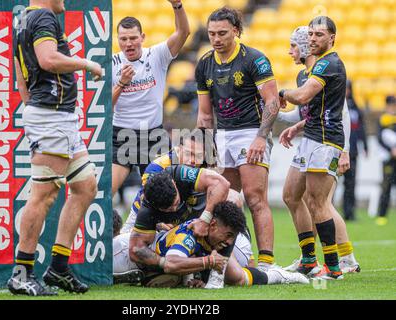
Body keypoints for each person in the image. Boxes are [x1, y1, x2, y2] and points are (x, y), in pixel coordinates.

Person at [7, 0, 102, 296]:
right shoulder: (44, 17)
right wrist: (86, 63)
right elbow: (48, 60)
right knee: (44, 196)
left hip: (56, 116)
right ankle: (21, 273)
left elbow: (20, 76)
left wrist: (32, 107)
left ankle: (58, 268)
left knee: (85, 187)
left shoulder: (23, 19)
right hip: (52, 116)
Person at [195, 6, 280, 269]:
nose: (216, 39)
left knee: (255, 198)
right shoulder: (205, 64)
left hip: (250, 132)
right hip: (223, 135)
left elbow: (273, 102)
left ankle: (265, 263)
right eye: (211, 34)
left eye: (222, 33)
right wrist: (207, 150)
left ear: (236, 31)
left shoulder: (254, 59)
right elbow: (205, 115)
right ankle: (229, 259)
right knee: (224, 200)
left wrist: (260, 138)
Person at [278, 26, 359, 276]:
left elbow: (340, 112)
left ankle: (340, 263)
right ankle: (309, 259)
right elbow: (311, 112)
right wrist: (294, 125)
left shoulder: (327, 67)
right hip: (311, 138)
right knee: (292, 196)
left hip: (326, 142)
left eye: (293, 45)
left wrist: (344, 151)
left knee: (320, 203)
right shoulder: (304, 75)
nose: (290, 51)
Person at [120, 128, 254, 269]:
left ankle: (229, 262)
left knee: (233, 197)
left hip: (185, 215)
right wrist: (159, 224)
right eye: (188, 154)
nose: (192, 161)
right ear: (179, 150)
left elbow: (220, 188)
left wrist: (205, 219)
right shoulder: (157, 168)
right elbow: (153, 203)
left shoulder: (205, 165)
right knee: (130, 251)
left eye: (198, 156)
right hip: (151, 218)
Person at [113, 201, 309, 288]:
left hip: (240, 245)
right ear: (213, 224)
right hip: (129, 249)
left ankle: (280, 275)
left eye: (232, 236)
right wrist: (204, 266)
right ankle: (280, 274)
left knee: (236, 276)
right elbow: (173, 262)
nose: (228, 242)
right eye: (228, 235)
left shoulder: (223, 237)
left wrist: (201, 271)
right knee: (235, 276)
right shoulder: (188, 236)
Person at [111, 0, 190, 196]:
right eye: (123, 39)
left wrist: (177, 5)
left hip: (152, 135)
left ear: (142, 37)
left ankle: (163, 227)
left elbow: (183, 33)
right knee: (106, 191)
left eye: (133, 38)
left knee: (165, 196)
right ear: (118, 40)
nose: (128, 43)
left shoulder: (156, 55)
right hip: (122, 135)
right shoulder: (111, 63)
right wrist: (121, 83)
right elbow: (105, 107)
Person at [343, 80, 368, 221]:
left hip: (352, 152)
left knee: (350, 184)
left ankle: (349, 213)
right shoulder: (336, 104)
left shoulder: (355, 108)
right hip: (337, 150)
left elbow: (361, 129)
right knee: (330, 186)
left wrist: (365, 146)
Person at [376, 95, 396, 226]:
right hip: (388, 159)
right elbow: (380, 138)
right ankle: (382, 215)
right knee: (386, 186)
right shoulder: (382, 119)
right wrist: (391, 150)